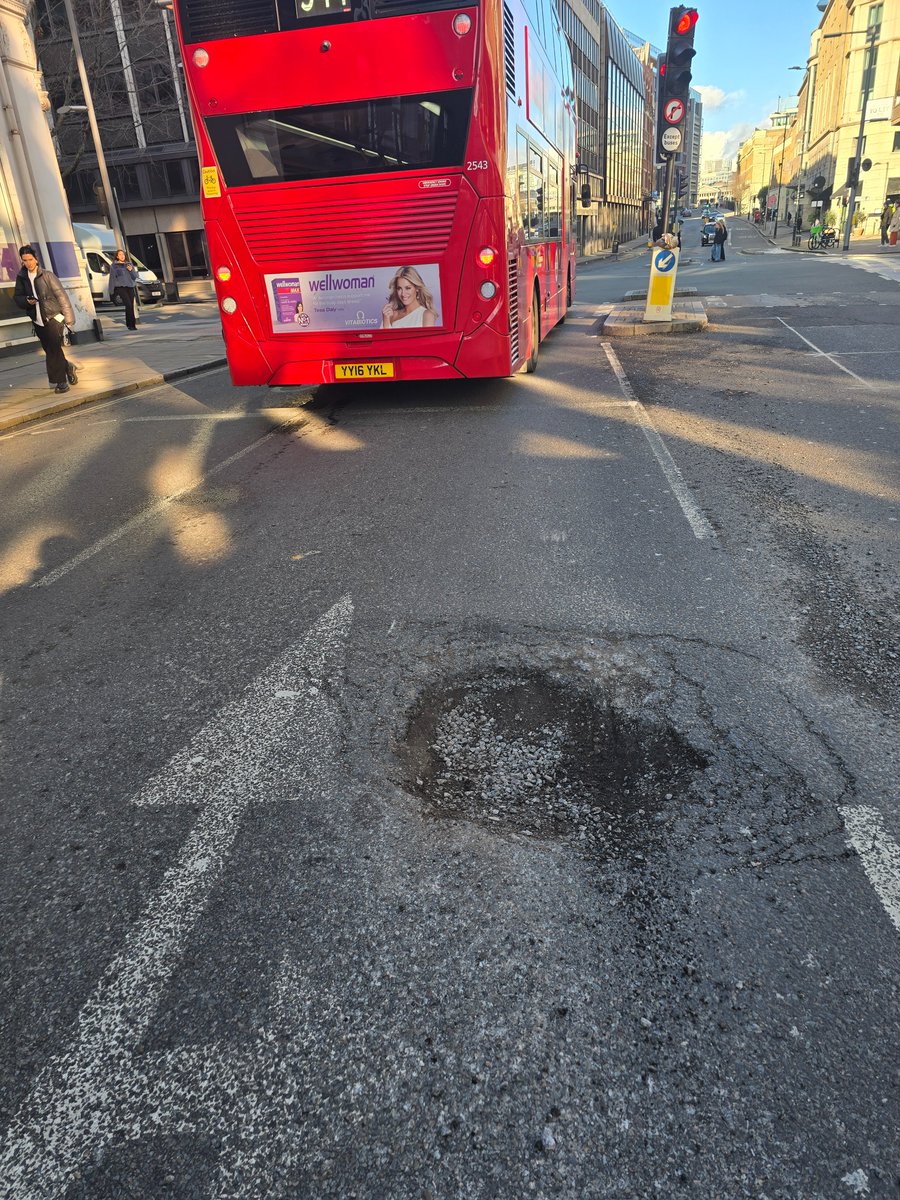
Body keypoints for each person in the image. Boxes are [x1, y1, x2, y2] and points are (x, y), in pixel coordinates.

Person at [13, 245, 77, 394]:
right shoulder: (21, 277)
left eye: (30, 259)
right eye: (25, 260)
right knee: (49, 349)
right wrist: (26, 301)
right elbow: (17, 298)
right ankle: (67, 366)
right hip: (37, 319)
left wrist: (69, 321)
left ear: (36, 259)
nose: (28, 263)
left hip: (54, 317)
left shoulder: (47, 275)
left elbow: (62, 296)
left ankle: (61, 383)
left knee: (53, 349)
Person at [110, 248, 139, 331]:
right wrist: (111, 290)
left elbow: (135, 277)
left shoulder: (129, 264)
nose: (122, 256)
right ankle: (130, 325)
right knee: (128, 305)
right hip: (120, 287)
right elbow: (112, 278)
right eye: (120, 255)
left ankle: (131, 324)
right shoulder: (114, 266)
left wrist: (131, 270)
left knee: (130, 306)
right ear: (117, 256)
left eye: (123, 254)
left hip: (130, 287)